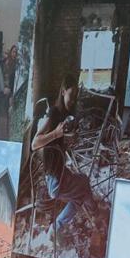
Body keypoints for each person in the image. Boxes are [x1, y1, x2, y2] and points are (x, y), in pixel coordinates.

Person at [31, 76, 92, 241]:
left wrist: (69, 138)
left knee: (79, 193)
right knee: (85, 183)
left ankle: (57, 227)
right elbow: (35, 143)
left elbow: (59, 145)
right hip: (54, 180)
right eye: (71, 95)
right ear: (63, 91)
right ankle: (92, 215)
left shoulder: (65, 115)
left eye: (75, 97)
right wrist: (56, 134)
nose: (73, 100)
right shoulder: (55, 112)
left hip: (57, 174)